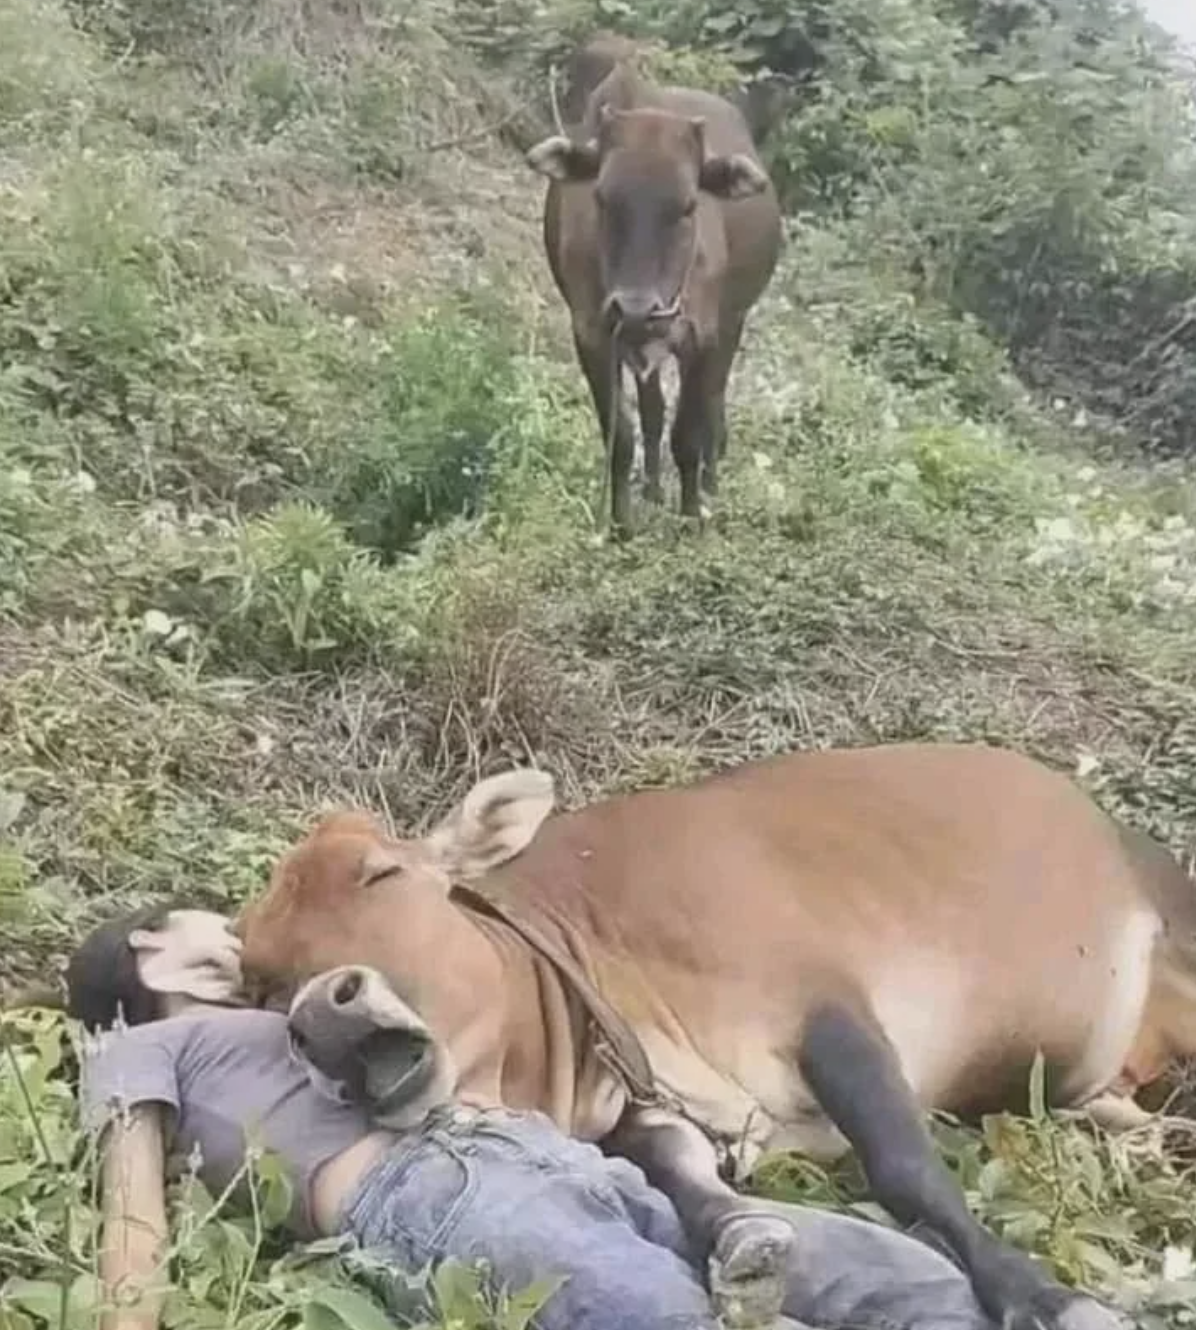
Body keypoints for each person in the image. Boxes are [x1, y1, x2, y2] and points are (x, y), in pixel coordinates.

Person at [69, 904, 1000, 1330]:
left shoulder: (286, 1018)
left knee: (902, 1280)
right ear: (150, 943)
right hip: (435, 1199)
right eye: (207, 918)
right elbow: (132, 1209)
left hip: (559, 1160)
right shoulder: (136, 1048)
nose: (235, 928)